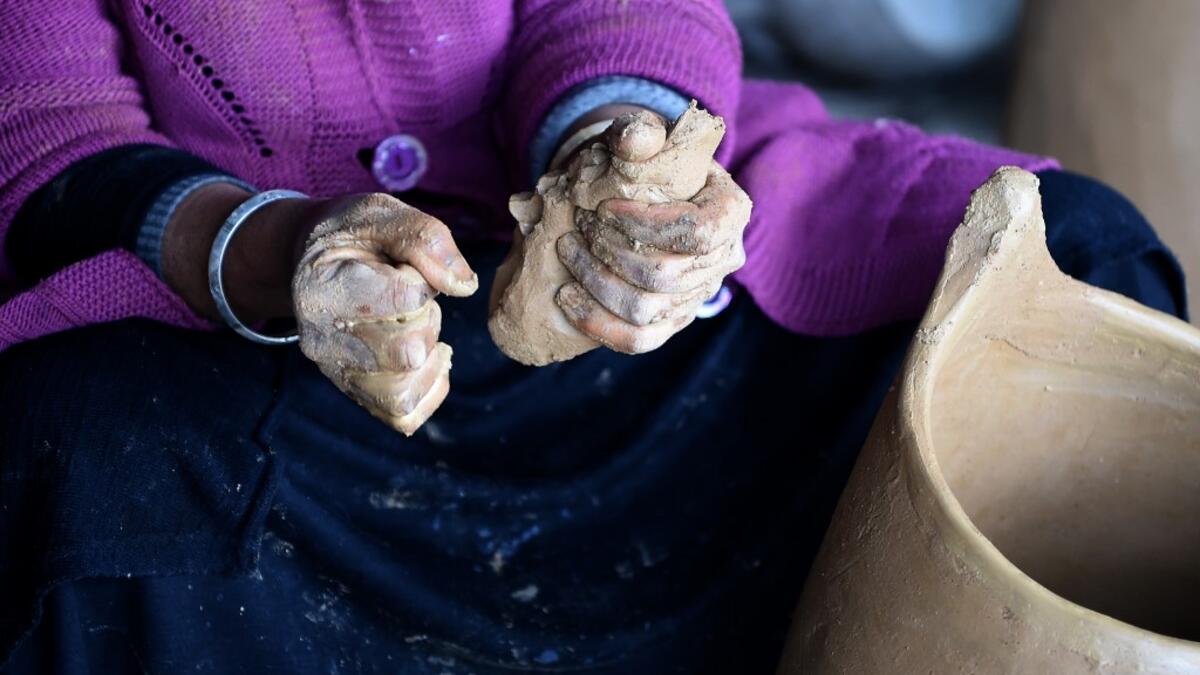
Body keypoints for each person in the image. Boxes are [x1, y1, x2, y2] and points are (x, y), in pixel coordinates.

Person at [0, 1, 1187, 673]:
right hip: (278, 352)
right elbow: (46, 137)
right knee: (82, 476)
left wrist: (625, 164)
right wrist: (285, 249)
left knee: (1069, 273)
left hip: (623, 323)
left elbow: (623, 11)